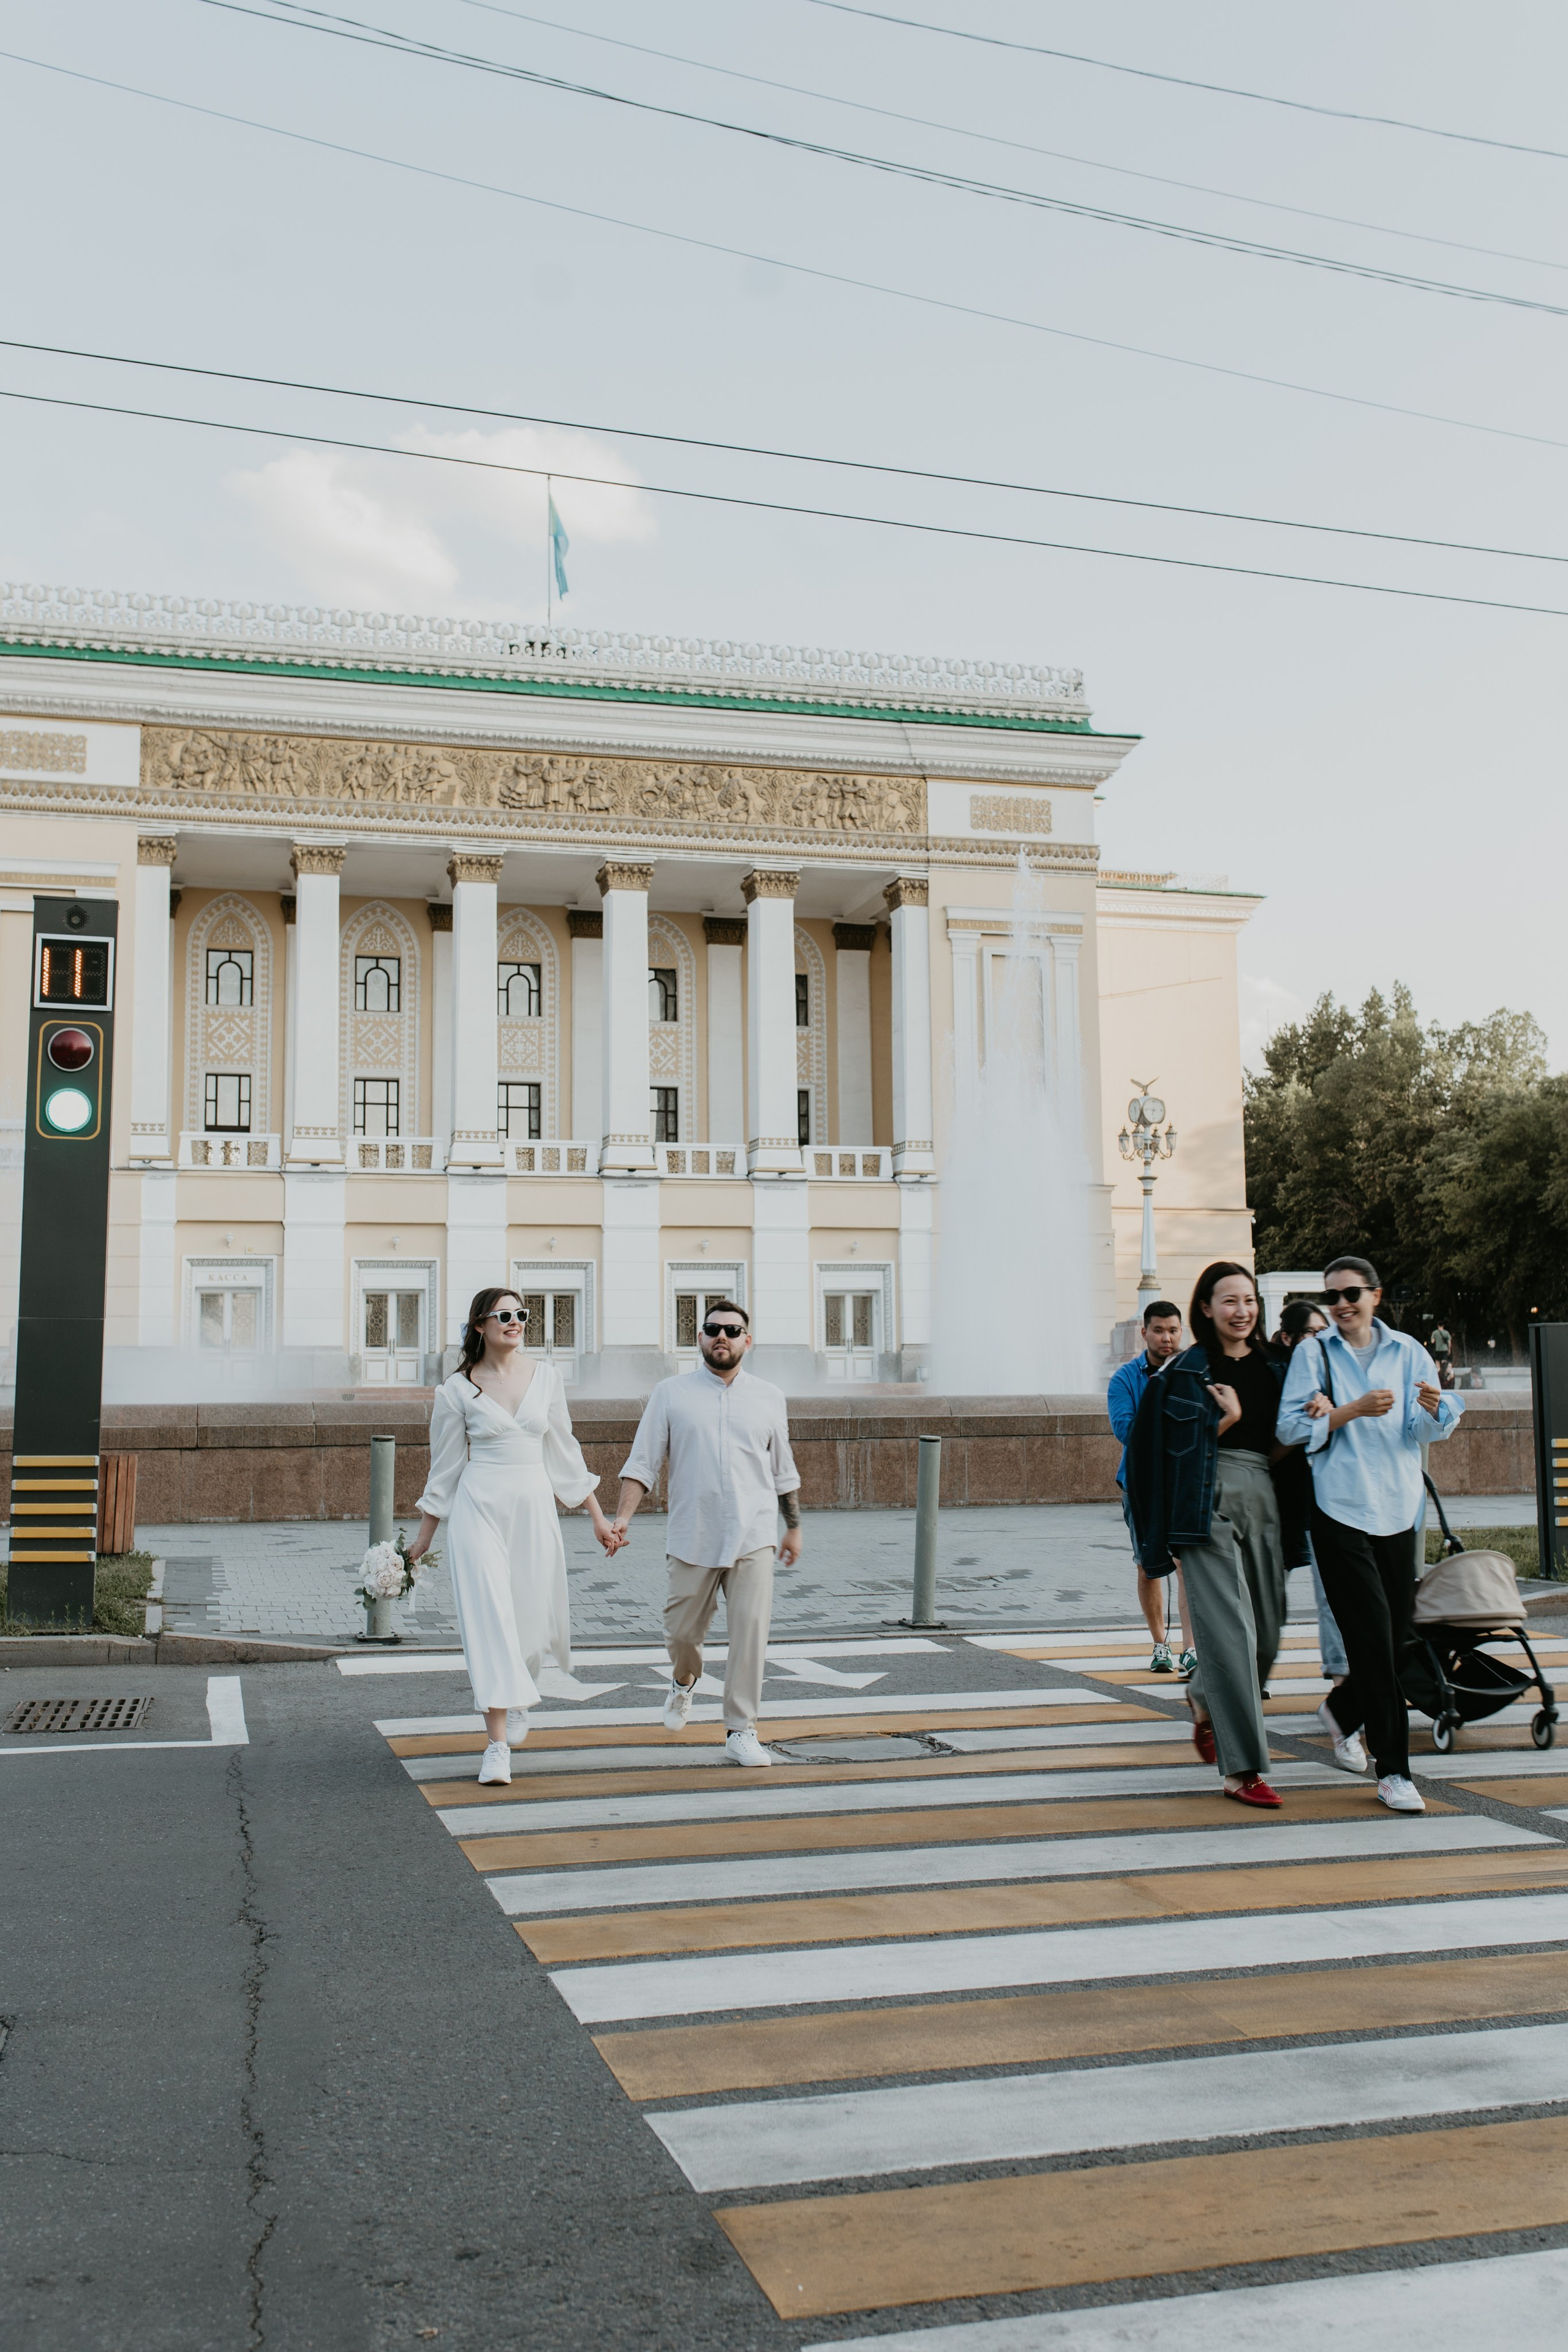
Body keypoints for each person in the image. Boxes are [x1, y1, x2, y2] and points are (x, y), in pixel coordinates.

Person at [407, 1287, 622, 1787]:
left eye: (521, 1314)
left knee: (527, 1616)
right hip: (477, 1509)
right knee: (489, 1619)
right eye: (503, 1315)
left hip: (532, 1510)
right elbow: (444, 1470)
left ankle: (519, 1690)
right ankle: (497, 1744)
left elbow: (565, 1453)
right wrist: (422, 1540)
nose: (515, 1322)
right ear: (480, 1325)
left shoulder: (547, 1377)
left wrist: (597, 1517)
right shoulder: (456, 1390)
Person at [1278, 1254, 1463, 1815]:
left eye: (1351, 1293)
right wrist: (1350, 1411)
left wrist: (1435, 1408)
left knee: (1398, 1638)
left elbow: (1426, 1428)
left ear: (1375, 1296)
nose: (1341, 1304)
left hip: (1398, 1510)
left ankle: (1342, 1711)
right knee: (1372, 1645)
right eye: (1332, 1296)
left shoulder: (1408, 1352)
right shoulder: (1315, 1354)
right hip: (1339, 1511)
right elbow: (1289, 1427)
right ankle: (1395, 1773)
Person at [1126, 1262, 1289, 1808]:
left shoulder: (1278, 1365)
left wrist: (1317, 1415)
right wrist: (1223, 1423)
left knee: (1266, 1633)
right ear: (1206, 1308)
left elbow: (1286, 1442)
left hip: (1263, 1497)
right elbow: (1154, 1454)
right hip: (1204, 1504)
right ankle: (1242, 1770)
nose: (1242, 1311)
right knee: (1229, 1635)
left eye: (1250, 1300)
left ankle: (1203, 1694)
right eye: (1230, 1301)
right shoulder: (1183, 1372)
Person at [611, 1301, 801, 1768]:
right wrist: (622, 1518)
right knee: (681, 1634)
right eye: (713, 1329)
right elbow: (642, 1462)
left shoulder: (770, 1397)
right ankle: (684, 1681)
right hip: (692, 1534)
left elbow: (783, 1470)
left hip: (754, 1535)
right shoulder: (671, 1393)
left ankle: (741, 1729)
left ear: (747, 1341)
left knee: (750, 1632)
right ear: (699, 1337)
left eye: (732, 1331)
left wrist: (793, 1527)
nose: (722, 1337)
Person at [1107, 1302, 1194, 1673]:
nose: (1167, 1338)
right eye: (1159, 1330)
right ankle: (1161, 1644)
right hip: (1141, 1487)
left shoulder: (1192, 1373)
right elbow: (1126, 1429)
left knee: (1187, 1566)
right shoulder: (1125, 1379)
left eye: (1173, 1330)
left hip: (1185, 1483)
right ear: (1144, 1333)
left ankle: (1191, 1648)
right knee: (1148, 1567)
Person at [1274, 1300, 1351, 1700]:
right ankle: (1251, 1673)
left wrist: (1330, 1412)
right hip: (1280, 1505)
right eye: (1312, 1333)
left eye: (1325, 1332)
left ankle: (1341, 1683)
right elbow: (1275, 1443)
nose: (1321, 1340)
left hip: (1324, 1502)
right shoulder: (1275, 1377)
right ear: (1289, 1338)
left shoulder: (1332, 1377)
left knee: (1334, 1596)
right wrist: (1314, 1419)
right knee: (1268, 1602)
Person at [1429, 1321, 1455, 1390]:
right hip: (1445, 1349)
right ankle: (1443, 1372)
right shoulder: (1446, 1333)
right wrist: (1449, 1349)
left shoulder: (1435, 1333)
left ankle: (1439, 1373)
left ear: (1438, 1326)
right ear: (1443, 1326)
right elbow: (1449, 1342)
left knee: (1437, 1362)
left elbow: (1432, 1341)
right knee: (1444, 1362)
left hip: (1438, 1349)